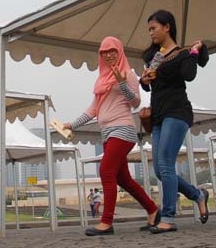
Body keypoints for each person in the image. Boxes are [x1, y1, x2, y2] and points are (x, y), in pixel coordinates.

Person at [63, 37, 158, 236]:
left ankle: (106, 222)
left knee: (106, 170)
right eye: (104, 52)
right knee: (123, 179)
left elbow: (135, 102)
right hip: (107, 134)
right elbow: (93, 109)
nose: (108, 54)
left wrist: (122, 83)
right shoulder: (101, 79)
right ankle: (152, 210)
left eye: (112, 50)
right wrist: (72, 124)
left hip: (123, 130)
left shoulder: (128, 74)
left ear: (119, 51)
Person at [139, 10, 210, 234]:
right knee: (160, 170)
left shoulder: (182, 54)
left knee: (166, 164)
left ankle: (168, 217)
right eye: (149, 29)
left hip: (178, 112)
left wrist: (194, 52)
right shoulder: (154, 56)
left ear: (167, 27)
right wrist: (144, 80)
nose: (151, 32)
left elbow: (189, 75)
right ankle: (198, 195)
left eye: (154, 28)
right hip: (159, 115)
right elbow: (149, 84)